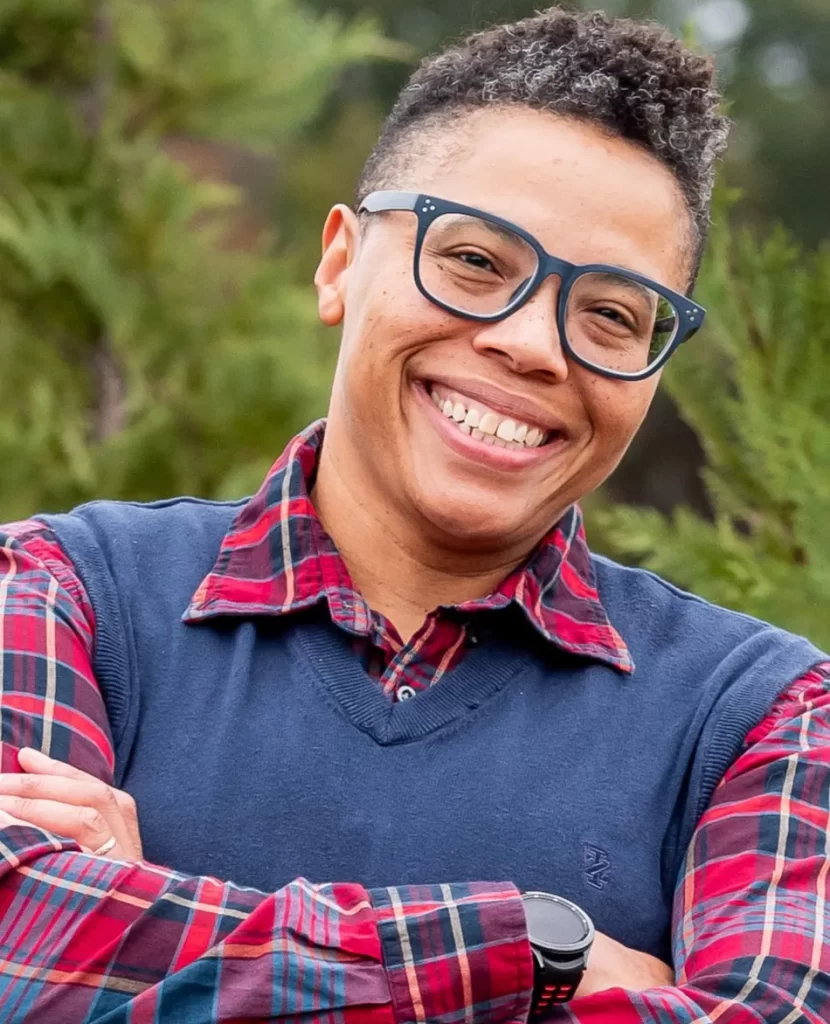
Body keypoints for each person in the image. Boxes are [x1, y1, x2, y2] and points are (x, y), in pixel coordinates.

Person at [0, 7, 827, 1023]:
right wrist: (536, 952)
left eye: (611, 313)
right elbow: (19, 948)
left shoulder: (760, 718)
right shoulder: (62, 594)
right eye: (475, 261)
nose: (532, 345)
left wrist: (147, 929)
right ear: (340, 263)